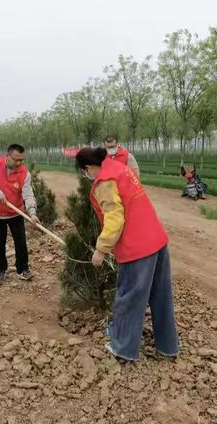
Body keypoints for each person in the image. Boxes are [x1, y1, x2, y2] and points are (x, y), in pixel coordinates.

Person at [75, 147, 179, 361]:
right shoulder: (120, 168)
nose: (87, 176)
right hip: (157, 240)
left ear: (88, 168)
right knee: (161, 297)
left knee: (129, 298)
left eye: (85, 172)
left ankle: (123, 348)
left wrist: (101, 249)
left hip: (137, 247)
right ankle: (168, 347)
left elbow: (115, 218)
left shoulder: (104, 181)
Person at [0, 144, 40, 284]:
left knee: (21, 243)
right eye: (16, 159)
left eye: (22, 160)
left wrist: (32, 212)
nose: (19, 163)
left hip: (15, 214)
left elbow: (28, 194)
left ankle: (23, 268)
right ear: (7, 156)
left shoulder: (24, 173)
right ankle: (0, 269)